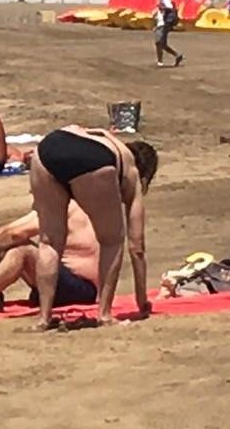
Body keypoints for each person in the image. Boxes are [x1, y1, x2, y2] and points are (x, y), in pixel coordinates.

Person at [25, 126, 158, 328]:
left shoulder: (106, 139)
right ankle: (104, 314)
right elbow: (136, 246)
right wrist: (142, 299)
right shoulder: (130, 169)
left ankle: (44, 318)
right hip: (93, 159)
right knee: (112, 240)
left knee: (49, 241)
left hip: (48, 148)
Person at [153, 0, 183, 67]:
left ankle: (160, 62)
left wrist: (162, 7)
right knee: (162, 44)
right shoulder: (161, 0)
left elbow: (170, 8)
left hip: (164, 24)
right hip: (160, 23)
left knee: (159, 42)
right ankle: (177, 55)